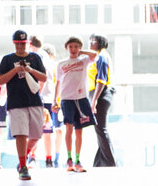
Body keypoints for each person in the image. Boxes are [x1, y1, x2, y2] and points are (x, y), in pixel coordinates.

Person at [0, 29, 46, 181]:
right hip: (16, 101)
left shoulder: (35, 57)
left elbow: (43, 77)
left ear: (27, 43)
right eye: (18, 44)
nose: (20, 47)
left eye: (23, 44)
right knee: (21, 133)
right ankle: (23, 166)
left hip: (34, 100)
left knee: (37, 134)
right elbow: (0, 80)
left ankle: (24, 158)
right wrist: (15, 69)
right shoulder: (7, 59)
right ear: (14, 43)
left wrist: (30, 69)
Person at [55, 36, 98, 173]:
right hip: (67, 99)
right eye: (71, 47)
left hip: (81, 99)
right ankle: (69, 160)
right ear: (66, 48)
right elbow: (58, 82)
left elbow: (94, 54)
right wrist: (56, 99)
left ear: (79, 48)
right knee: (69, 129)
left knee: (79, 130)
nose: (73, 49)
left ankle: (78, 160)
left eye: (76, 46)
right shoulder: (61, 63)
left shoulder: (84, 60)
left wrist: (82, 52)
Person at [30, 36, 60, 167]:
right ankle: (47, 159)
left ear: (30, 44)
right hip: (46, 97)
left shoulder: (38, 56)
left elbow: (44, 78)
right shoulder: (44, 57)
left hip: (42, 98)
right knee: (46, 130)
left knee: (38, 129)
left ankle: (36, 157)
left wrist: (37, 94)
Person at [89, 34, 117, 167]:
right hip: (98, 94)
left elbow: (101, 80)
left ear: (100, 43)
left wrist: (94, 100)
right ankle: (99, 163)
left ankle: (111, 162)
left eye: (93, 41)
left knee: (101, 128)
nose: (90, 43)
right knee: (99, 129)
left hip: (100, 94)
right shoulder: (98, 56)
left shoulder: (102, 56)